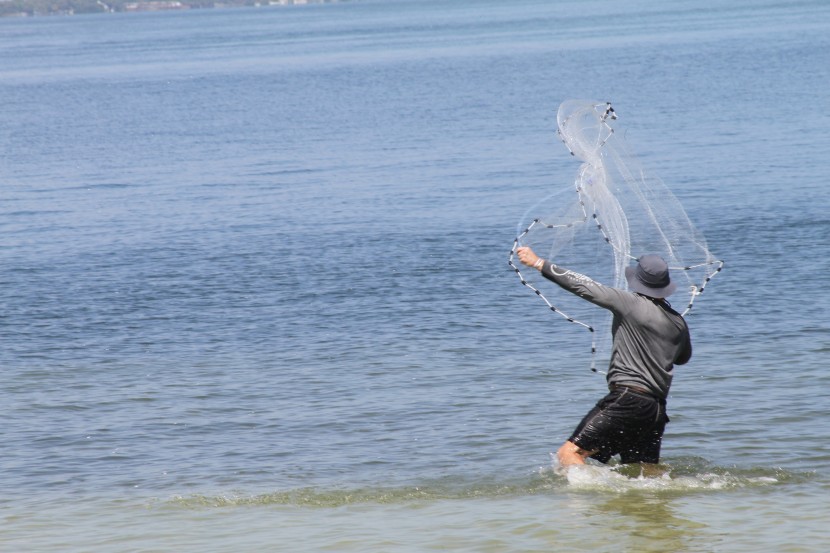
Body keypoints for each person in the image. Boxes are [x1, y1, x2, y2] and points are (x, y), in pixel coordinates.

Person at [516, 246, 692, 467]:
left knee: (569, 454)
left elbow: (585, 286)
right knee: (643, 473)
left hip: (627, 400)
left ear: (638, 282)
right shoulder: (678, 322)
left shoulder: (630, 303)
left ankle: (588, 499)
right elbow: (682, 358)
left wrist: (538, 263)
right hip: (655, 411)